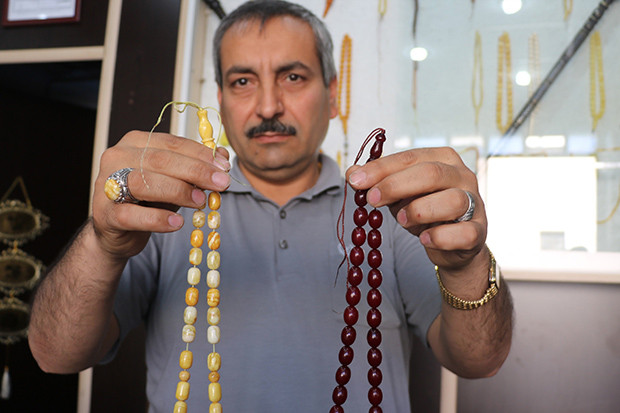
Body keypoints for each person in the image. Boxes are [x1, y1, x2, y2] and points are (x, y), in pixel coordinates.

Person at [28, 1, 513, 412]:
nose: (267, 106)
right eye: (242, 82)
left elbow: (480, 360)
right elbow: (55, 355)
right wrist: (102, 242)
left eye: (293, 76)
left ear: (332, 95)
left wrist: (467, 265)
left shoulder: (387, 213)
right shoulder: (166, 208)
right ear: (220, 100)